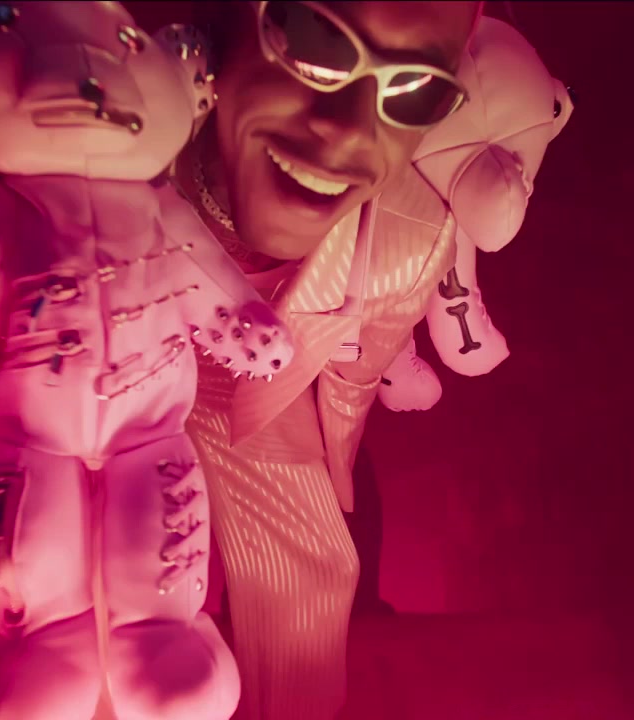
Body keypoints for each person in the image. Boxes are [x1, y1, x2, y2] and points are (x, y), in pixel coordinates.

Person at [158, 2, 485, 718]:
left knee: (312, 585)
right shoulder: (105, 148)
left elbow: (347, 392)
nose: (351, 129)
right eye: (314, 39)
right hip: (92, 400)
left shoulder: (410, 244)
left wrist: (332, 484)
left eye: (417, 89)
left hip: (266, 411)